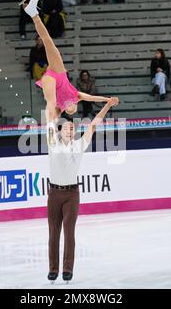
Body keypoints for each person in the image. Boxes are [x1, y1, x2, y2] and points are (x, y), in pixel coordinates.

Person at [20, 0, 117, 145]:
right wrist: (108, 100)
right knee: (48, 42)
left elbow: (55, 112)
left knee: (51, 103)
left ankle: (49, 129)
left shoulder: (60, 108)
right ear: (76, 105)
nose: (72, 111)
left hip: (50, 80)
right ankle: (33, 13)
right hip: (58, 72)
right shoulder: (76, 95)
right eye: (74, 110)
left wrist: (53, 125)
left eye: (70, 112)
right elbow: (92, 98)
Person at [46, 97, 119, 283]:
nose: (70, 130)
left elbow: (94, 124)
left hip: (71, 195)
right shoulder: (52, 142)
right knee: (54, 233)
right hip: (54, 194)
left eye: (72, 128)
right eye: (67, 128)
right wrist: (58, 105)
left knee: (69, 232)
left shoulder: (80, 144)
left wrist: (107, 105)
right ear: (60, 131)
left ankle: (67, 269)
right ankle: (53, 269)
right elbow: (50, 118)